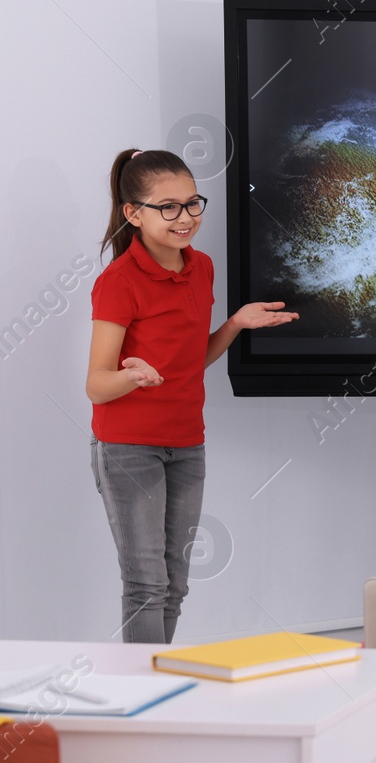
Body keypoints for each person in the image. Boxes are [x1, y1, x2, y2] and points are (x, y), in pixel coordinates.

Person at [87, 148, 298, 644]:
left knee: (175, 584)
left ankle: (155, 685)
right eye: (168, 207)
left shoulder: (199, 267)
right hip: (127, 449)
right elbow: (97, 382)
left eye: (192, 203)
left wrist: (235, 324)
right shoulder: (117, 282)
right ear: (133, 214)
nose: (185, 218)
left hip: (186, 445)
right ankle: (144, 700)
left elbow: (188, 361)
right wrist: (133, 377)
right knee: (146, 584)